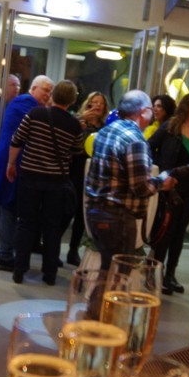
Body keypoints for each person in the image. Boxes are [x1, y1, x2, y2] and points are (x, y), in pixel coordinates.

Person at [7, 79, 83, 285]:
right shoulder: (75, 125)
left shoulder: (35, 114)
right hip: (56, 181)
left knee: (26, 224)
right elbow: (76, 151)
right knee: (52, 228)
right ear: (72, 101)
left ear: (53, 95)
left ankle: (19, 270)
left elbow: (17, 139)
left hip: (30, 176)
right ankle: (50, 274)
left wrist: (11, 164)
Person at [85, 90, 171, 264]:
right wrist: (163, 182)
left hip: (95, 212)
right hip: (118, 218)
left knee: (107, 270)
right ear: (143, 112)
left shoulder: (105, 131)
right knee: (119, 273)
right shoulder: (135, 140)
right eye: (150, 110)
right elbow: (141, 187)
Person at [148, 90, 189, 295]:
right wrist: (161, 169)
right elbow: (149, 147)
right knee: (165, 231)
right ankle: (155, 273)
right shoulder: (171, 126)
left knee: (179, 234)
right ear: (187, 106)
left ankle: (171, 274)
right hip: (170, 186)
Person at [0, 74, 51, 268]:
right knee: (7, 207)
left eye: (50, 92)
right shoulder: (26, 103)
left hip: (5, 159)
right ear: (34, 88)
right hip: (10, 162)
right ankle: (4, 255)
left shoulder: (24, 104)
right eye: (45, 90)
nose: (48, 95)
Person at [66, 91, 108, 265]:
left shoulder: (105, 127)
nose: (98, 105)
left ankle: (73, 250)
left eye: (101, 103)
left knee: (82, 214)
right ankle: (49, 246)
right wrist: (80, 122)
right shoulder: (78, 120)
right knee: (68, 209)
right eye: (94, 102)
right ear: (88, 103)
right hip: (76, 168)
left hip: (94, 171)